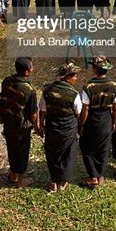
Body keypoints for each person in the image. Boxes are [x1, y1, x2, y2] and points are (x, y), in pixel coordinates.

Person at [38, 61, 82, 193]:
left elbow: (42, 110)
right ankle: (63, 181)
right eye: (75, 76)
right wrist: (79, 128)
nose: (76, 79)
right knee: (68, 154)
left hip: (52, 127)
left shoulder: (47, 90)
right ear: (67, 77)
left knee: (52, 154)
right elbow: (78, 113)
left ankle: (54, 181)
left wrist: (41, 125)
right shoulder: (73, 94)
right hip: (68, 128)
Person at [0, 57, 38, 189]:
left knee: (11, 148)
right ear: (26, 72)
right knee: (22, 152)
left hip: (8, 122)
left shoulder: (7, 81)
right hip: (21, 126)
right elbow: (32, 113)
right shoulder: (29, 89)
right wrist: (36, 126)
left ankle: (12, 173)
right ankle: (21, 180)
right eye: (31, 68)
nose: (33, 69)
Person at [78, 56, 116, 188]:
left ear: (95, 69)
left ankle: (93, 177)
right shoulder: (115, 86)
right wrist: (113, 122)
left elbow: (85, 108)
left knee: (88, 147)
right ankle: (100, 175)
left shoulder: (88, 86)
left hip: (92, 119)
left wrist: (82, 123)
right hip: (106, 118)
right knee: (103, 147)